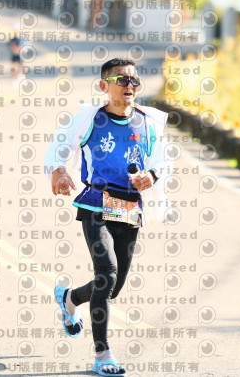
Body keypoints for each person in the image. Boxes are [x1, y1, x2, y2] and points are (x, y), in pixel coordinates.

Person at [44, 58, 172, 376]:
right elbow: (60, 144)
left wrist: (151, 176)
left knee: (112, 287)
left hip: (129, 207)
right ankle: (103, 356)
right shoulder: (89, 119)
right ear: (104, 86)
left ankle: (70, 298)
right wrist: (59, 170)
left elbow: (162, 160)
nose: (130, 86)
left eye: (134, 81)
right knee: (107, 272)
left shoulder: (148, 123)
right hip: (96, 203)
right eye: (122, 80)